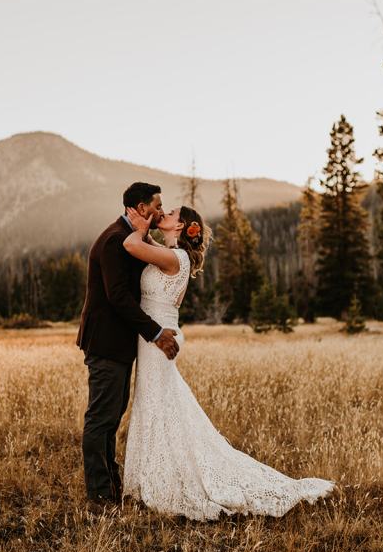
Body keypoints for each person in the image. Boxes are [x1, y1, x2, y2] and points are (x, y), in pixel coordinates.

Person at [120, 204, 336, 520]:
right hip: (153, 338)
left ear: (179, 227)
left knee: (157, 404)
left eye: (170, 213)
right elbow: (146, 248)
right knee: (158, 404)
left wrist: (142, 223)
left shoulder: (176, 258)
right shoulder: (167, 253)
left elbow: (130, 245)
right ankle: (155, 472)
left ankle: (167, 478)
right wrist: (149, 225)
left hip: (157, 340)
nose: (163, 213)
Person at [76, 182, 181, 511]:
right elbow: (118, 297)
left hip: (120, 344)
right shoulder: (114, 240)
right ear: (141, 207)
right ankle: (98, 495)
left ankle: (109, 483)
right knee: (101, 418)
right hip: (106, 342)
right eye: (157, 205)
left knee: (111, 416)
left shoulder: (131, 237)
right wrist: (156, 333)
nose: (162, 210)